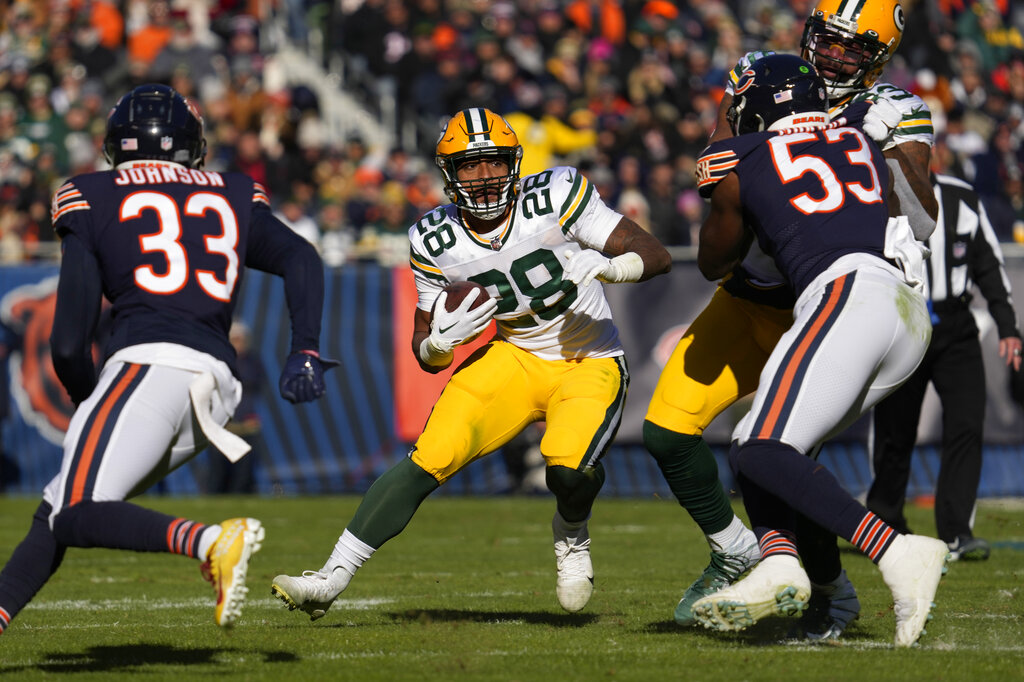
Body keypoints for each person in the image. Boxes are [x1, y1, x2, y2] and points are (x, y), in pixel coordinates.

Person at [270, 106, 671, 619]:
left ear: (515, 163)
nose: (483, 177)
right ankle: (330, 578)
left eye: (494, 163)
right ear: (448, 173)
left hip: (587, 354)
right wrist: (439, 343)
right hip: (514, 354)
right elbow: (424, 349)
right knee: (430, 457)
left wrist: (613, 265)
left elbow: (654, 252)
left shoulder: (557, 196)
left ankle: (570, 533)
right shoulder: (432, 238)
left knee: (568, 472)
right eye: (469, 165)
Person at [645, 0, 939, 639]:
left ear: (878, 58)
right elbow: (720, 171)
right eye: (825, 41)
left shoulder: (890, 110)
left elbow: (921, 215)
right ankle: (748, 558)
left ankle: (823, 589)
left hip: (827, 300)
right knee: (684, 433)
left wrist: (889, 149)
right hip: (754, 289)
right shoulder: (767, 75)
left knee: (776, 448)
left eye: (850, 48)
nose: (832, 56)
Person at [0, 84, 334, 634]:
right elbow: (301, 256)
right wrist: (305, 348)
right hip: (216, 385)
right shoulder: (232, 191)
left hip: (148, 365)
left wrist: (89, 394)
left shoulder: (91, 194)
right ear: (193, 147)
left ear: (116, 147)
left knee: (78, 509)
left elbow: (67, 341)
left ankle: (209, 542)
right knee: (59, 506)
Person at [867, 172, 1023, 560]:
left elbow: (987, 261)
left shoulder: (961, 196)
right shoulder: (876, 190)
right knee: (895, 429)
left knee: (967, 424)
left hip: (956, 327)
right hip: (903, 323)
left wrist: (1008, 326)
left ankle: (957, 532)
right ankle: (885, 521)